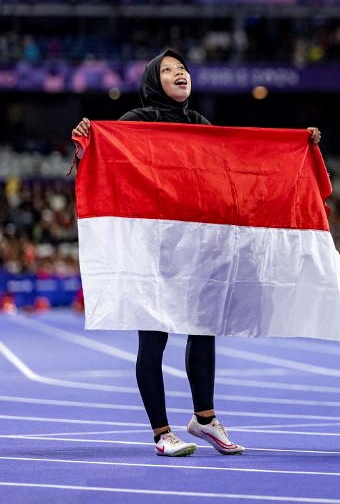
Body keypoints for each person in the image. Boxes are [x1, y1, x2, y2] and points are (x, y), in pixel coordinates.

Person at [72, 49, 321, 457]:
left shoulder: (198, 124)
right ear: (155, 81)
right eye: (168, 70)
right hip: (152, 249)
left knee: (203, 328)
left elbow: (234, 164)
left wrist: (296, 144)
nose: (179, 74)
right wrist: (87, 139)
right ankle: (161, 433)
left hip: (195, 246)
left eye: (182, 68)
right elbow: (105, 164)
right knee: (153, 339)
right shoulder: (135, 122)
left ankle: (204, 419)